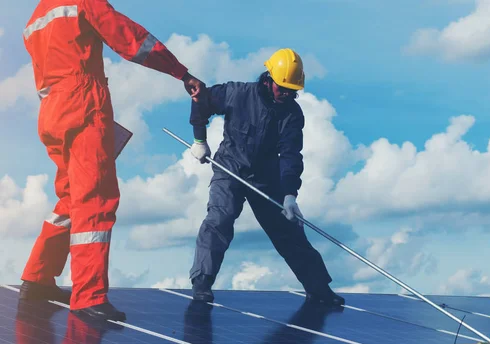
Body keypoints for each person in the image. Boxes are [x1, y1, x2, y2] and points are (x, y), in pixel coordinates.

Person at [19, 0, 205, 322]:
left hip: (50, 112)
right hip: (83, 104)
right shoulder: (83, 2)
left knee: (70, 198)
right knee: (95, 199)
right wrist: (181, 72)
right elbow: (130, 39)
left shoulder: (36, 16)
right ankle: (89, 296)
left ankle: (37, 277)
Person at [188, 48, 344, 306]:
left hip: (266, 177)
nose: (287, 94)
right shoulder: (237, 93)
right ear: (268, 79)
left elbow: (291, 154)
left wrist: (290, 194)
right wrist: (199, 140)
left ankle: (318, 288)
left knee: (288, 228)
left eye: (292, 91)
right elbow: (200, 100)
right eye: (282, 88)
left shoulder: (292, 114)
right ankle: (202, 281)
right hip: (231, 169)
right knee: (220, 218)